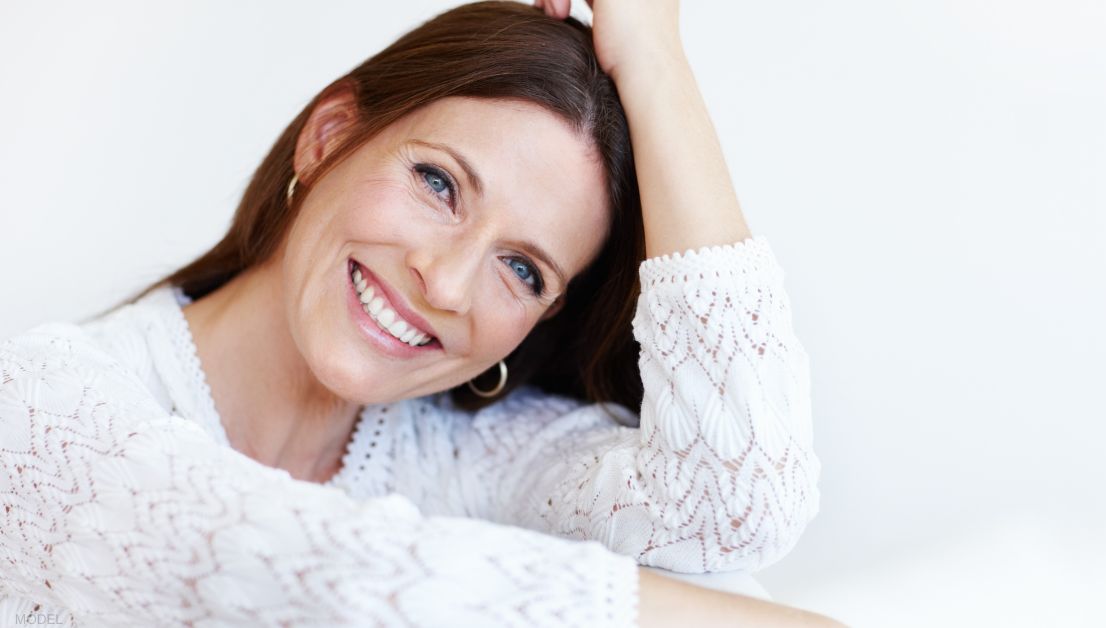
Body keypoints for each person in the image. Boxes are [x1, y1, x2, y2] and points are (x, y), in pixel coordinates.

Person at [0, 0, 841, 625]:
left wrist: (658, 62)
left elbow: (738, 504)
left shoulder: (468, 456)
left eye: (522, 269)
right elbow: (310, 580)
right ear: (328, 138)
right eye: (438, 184)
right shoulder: (45, 404)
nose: (444, 283)